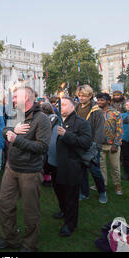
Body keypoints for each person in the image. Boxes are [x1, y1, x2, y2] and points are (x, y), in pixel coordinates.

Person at [0, 85, 51, 252]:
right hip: (11, 168)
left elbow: (43, 147)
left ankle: (29, 244)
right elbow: (5, 131)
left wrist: (17, 139)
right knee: (5, 204)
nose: (12, 100)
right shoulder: (15, 114)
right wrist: (13, 130)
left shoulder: (42, 119)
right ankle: (10, 238)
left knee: (30, 210)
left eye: (15, 97)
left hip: (31, 171)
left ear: (26, 99)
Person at [53, 97, 92, 237]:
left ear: (72, 107)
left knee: (71, 196)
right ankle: (63, 211)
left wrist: (66, 135)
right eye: (59, 105)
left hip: (71, 165)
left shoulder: (81, 123)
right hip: (54, 165)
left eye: (64, 104)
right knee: (59, 192)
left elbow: (86, 142)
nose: (60, 107)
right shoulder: (55, 120)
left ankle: (70, 224)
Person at [75, 85, 107, 204]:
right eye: (79, 95)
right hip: (78, 144)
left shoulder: (96, 111)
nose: (81, 97)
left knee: (95, 171)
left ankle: (102, 191)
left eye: (84, 95)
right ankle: (84, 192)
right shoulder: (76, 107)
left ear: (90, 96)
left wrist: (95, 146)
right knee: (81, 171)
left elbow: (99, 131)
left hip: (91, 146)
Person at [96, 93, 124, 195]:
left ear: (108, 101)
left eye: (102, 100)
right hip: (99, 145)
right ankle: (103, 185)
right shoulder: (96, 112)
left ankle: (117, 186)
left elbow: (120, 130)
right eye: (98, 100)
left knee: (115, 167)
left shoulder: (115, 113)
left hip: (112, 145)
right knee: (101, 167)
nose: (99, 102)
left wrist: (116, 144)